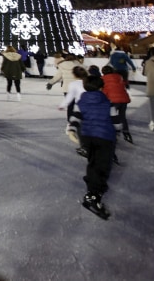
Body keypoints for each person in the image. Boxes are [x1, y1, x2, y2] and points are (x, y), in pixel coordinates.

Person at [65, 76, 120, 220]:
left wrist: (71, 129)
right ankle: (93, 197)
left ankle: (92, 180)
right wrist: (117, 132)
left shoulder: (81, 101)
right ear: (101, 87)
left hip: (87, 136)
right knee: (102, 166)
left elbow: (75, 116)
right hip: (105, 137)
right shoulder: (108, 102)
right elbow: (116, 122)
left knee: (92, 160)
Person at [101, 65, 133, 144]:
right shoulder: (119, 77)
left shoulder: (102, 79)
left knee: (111, 117)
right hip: (123, 99)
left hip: (113, 100)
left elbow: (104, 91)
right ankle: (126, 133)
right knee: (122, 117)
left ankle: (114, 134)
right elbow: (124, 84)